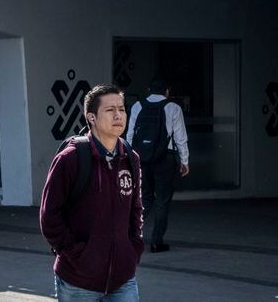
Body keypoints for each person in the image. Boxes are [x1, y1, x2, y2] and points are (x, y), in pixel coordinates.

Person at [40, 84, 143, 301]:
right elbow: (49, 217)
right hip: (79, 280)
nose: (118, 115)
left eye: (122, 109)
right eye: (109, 110)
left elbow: (135, 209)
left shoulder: (130, 158)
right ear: (92, 117)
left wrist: (133, 249)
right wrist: (76, 254)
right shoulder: (71, 159)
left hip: (123, 278)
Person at [126, 79, 190, 253]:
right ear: (167, 91)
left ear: (148, 90)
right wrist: (184, 161)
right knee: (162, 200)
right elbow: (180, 137)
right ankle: (156, 241)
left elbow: (130, 134)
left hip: (142, 158)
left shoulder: (138, 106)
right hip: (165, 158)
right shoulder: (173, 108)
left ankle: (129, 235)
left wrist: (130, 158)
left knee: (144, 198)